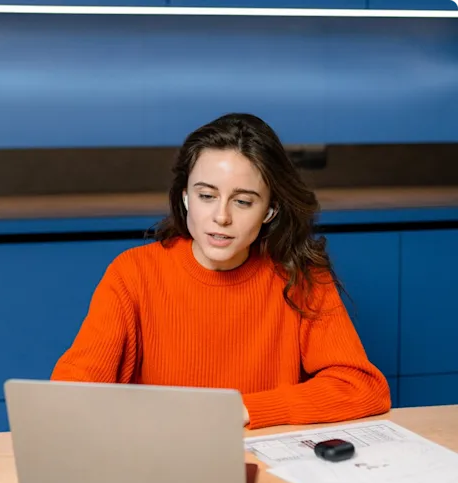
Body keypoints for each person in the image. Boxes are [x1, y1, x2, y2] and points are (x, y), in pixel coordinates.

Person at [51, 113, 391, 429]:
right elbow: (72, 391)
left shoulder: (302, 277)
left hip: (267, 463)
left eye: (243, 201)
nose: (221, 217)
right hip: (160, 464)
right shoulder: (134, 272)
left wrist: (241, 410)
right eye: (206, 195)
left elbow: (362, 387)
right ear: (186, 198)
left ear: (270, 210)